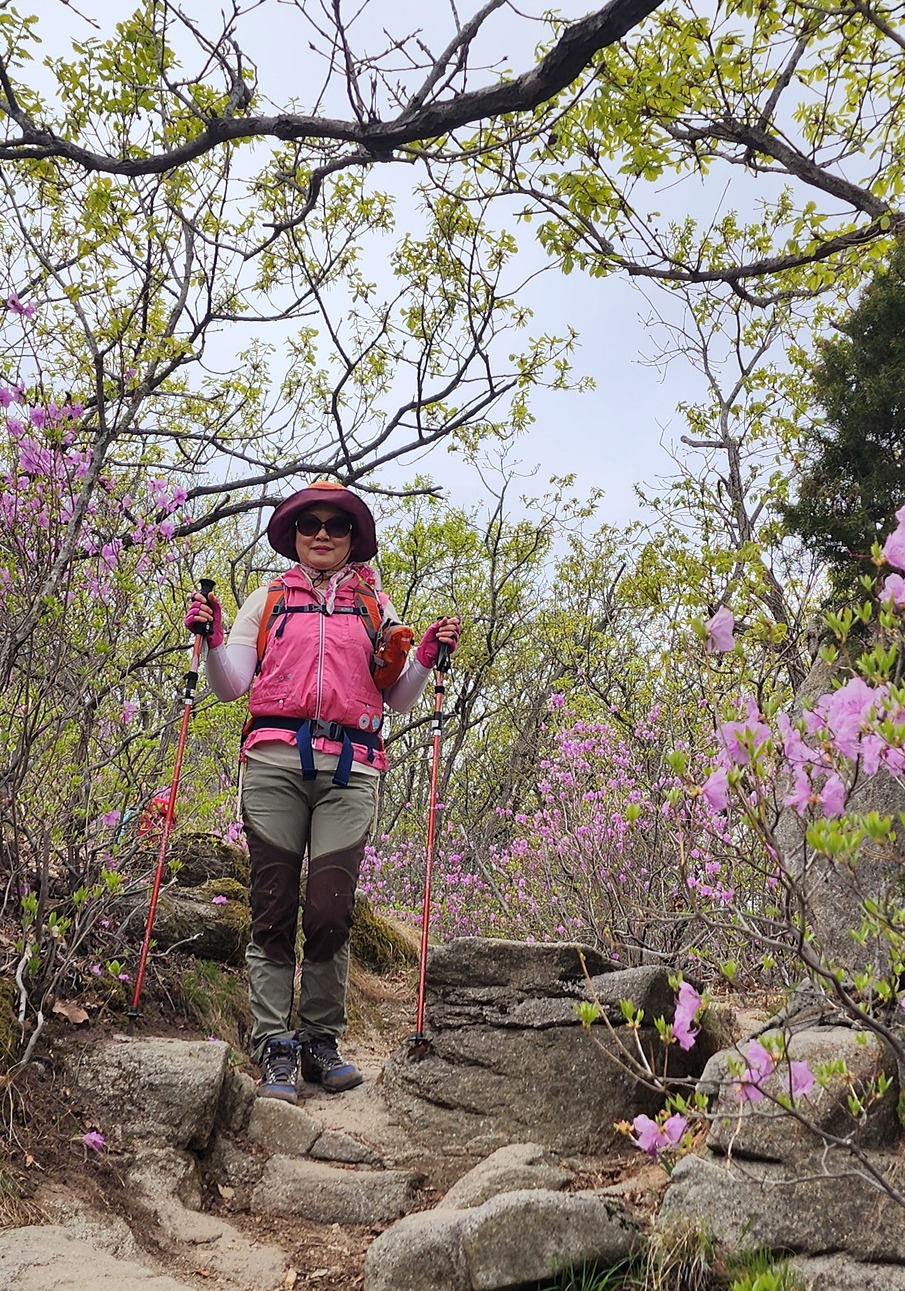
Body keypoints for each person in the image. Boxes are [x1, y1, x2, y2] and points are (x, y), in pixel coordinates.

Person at [185, 481, 459, 1102]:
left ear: (353, 538)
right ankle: (273, 1045)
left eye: (337, 525)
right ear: (295, 535)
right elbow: (230, 685)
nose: (323, 534)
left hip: (350, 771)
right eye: (311, 524)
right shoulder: (267, 600)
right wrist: (214, 638)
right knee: (273, 906)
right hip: (274, 765)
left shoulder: (376, 607)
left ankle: (318, 1040)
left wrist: (422, 656)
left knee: (332, 911)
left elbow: (398, 697)